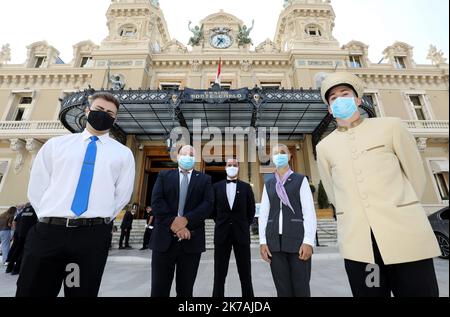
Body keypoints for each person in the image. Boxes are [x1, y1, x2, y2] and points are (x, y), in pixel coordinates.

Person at [316, 72, 441, 297]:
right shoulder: (325, 147)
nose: (339, 99)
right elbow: (334, 193)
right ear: (329, 109)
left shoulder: (391, 127)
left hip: (405, 238)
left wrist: (400, 208)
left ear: (358, 100)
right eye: (333, 98)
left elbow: (416, 177)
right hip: (361, 249)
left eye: (345, 94)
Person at [17, 92, 135, 297]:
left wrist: (99, 219)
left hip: (89, 239)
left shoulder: (123, 153)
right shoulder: (56, 145)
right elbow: (37, 187)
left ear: (115, 119)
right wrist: (49, 214)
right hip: (49, 233)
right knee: (33, 290)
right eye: (99, 110)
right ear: (87, 111)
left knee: (81, 292)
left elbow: (122, 194)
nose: (103, 114)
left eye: (109, 112)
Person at [150, 145, 214, 297]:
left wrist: (186, 220)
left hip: (191, 242)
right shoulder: (164, 176)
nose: (187, 157)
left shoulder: (205, 179)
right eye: (184, 154)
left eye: (191, 154)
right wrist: (176, 225)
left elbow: (208, 204)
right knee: (159, 289)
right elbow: (157, 202)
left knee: (186, 290)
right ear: (177, 157)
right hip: (163, 241)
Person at [259, 144, 317, 297]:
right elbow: (264, 214)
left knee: (301, 287)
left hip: (297, 240)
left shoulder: (300, 180)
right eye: (276, 153)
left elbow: (309, 212)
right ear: (272, 158)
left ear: (290, 156)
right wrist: (263, 241)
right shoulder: (269, 183)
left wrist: (308, 241)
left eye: (283, 152)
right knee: (282, 289)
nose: (279, 155)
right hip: (275, 243)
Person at [212, 158, 256, 297]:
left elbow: (251, 210)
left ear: (238, 168)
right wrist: (221, 222)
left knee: (245, 273)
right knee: (219, 273)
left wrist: (243, 224)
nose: (232, 167)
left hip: (241, 235)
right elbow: (212, 210)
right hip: (222, 234)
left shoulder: (246, 187)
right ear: (225, 168)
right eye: (229, 165)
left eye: (235, 165)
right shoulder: (216, 187)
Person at [6, 203, 37, 275]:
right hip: (29, 234)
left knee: (17, 250)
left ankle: (9, 268)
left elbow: (15, 221)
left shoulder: (23, 211)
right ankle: (16, 269)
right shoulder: (35, 210)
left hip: (20, 233)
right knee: (23, 252)